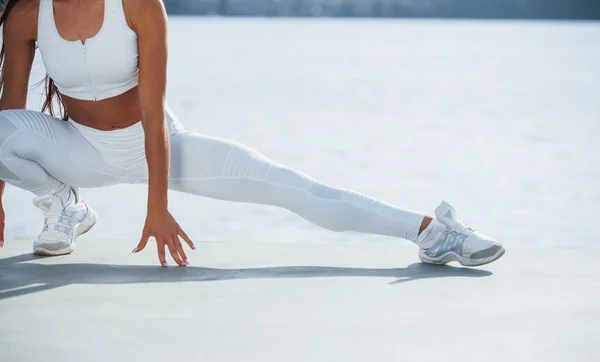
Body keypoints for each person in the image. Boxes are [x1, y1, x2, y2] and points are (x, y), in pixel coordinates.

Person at [0, 0, 505, 268]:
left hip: (159, 146)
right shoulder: (25, 15)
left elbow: (153, 114)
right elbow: (11, 108)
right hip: (81, 151)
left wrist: (157, 206)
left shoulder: (136, 3)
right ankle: (63, 205)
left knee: (292, 188)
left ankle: (433, 234)